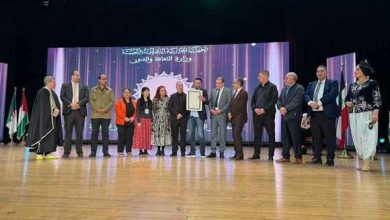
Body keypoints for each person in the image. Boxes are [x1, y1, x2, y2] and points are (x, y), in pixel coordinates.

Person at [346, 60, 381, 171]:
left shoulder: (372, 83)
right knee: (358, 137)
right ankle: (364, 159)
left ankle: (367, 162)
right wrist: (348, 103)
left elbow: (377, 99)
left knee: (367, 137)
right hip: (354, 114)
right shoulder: (352, 85)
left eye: (357, 69)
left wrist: (375, 114)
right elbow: (347, 99)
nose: (355, 71)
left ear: (364, 71)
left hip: (367, 114)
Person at [304, 65, 339, 166]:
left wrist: (318, 102)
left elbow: (333, 95)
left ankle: (330, 159)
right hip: (314, 114)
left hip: (327, 114)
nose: (319, 73)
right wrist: (311, 103)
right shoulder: (312, 84)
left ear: (326, 72)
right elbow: (306, 95)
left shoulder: (332, 83)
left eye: (322, 71)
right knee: (316, 137)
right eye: (317, 71)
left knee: (329, 137)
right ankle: (316, 157)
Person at [26, 76, 63, 160]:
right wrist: (53, 111)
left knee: (51, 135)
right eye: (54, 81)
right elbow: (43, 107)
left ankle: (47, 152)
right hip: (43, 119)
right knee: (42, 133)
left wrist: (57, 109)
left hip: (52, 118)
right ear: (48, 82)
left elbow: (56, 104)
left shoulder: (52, 92)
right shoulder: (42, 92)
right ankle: (39, 153)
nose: (55, 83)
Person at [60, 70, 89, 159]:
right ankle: (66, 152)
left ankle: (79, 152)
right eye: (77, 75)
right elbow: (62, 96)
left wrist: (78, 104)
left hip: (80, 112)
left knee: (79, 133)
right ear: (72, 76)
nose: (78, 77)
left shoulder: (84, 86)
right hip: (69, 112)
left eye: (79, 75)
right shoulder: (65, 85)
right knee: (68, 132)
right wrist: (71, 104)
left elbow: (87, 98)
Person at [249, 70, 278, 161]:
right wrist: (254, 109)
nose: (258, 77)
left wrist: (263, 109)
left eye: (259, 76)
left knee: (271, 135)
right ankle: (256, 154)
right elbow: (253, 101)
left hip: (268, 115)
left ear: (265, 76)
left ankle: (270, 155)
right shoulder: (257, 88)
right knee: (257, 135)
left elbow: (273, 100)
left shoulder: (273, 87)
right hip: (257, 115)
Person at [276, 72, 304, 164]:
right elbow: (279, 100)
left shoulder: (299, 88)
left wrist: (286, 108)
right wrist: (280, 107)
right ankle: (285, 156)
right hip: (284, 116)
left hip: (294, 116)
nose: (284, 80)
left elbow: (297, 102)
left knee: (295, 137)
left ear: (292, 79)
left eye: (286, 78)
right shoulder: (284, 89)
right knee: (285, 137)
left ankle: (298, 157)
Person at [89, 74, 115, 158]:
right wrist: (97, 109)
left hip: (106, 115)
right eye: (103, 79)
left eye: (106, 79)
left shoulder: (109, 90)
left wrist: (105, 109)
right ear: (99, 80)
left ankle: (105, 152)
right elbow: (91, 101)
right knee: (94, 133)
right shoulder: (93, 89)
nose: (105, 81)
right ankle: (93, 152)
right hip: (95, 115)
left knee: (105, 133)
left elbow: (112, 101)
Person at [207, 76, 232, 158]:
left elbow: (228, 103)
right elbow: (210, 101)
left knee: (222, 134)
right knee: (213, 134)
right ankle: (213, 151)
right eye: (216, 83)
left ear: (223, 83)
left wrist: (220, 110)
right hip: (213, 115)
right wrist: (211, 109)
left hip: (222, 115)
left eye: (219, 83)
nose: (217, 84)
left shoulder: (228, 91)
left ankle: (221, 151)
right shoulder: (213, 90)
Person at [187, 78, 209, 158]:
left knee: (201, 135)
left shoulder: (204, 91)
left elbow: (207, 102)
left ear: (201, 84)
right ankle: (192, 152)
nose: (197, 84)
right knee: (191, 135)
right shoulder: (190, 91)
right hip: (191, 116)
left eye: (199, 83)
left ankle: (202, 153)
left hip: (200, 117)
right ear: (193, 83)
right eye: (195, 83)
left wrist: (204, 99)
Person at [228, 79, 248, 160]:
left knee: (236, 134)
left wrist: (231, 113)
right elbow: (232, 105)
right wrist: (229, 113)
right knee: (234, 135)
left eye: (234, 83)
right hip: (234, 117)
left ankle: (240, 155)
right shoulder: (235, 93)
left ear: (239, 83)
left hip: (239, 117)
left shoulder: (244, 93)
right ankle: (236, 153)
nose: (233, 84)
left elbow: (240, 106)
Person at [168, 81, 189, 157]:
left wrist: (182, 114)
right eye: (179, 85)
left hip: (183, 119)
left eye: (181, 85)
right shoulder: (172, 96)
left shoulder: (186, 96)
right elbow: (170, 107)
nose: (180, 87)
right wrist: (177, 114)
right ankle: (174, 151)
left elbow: (188, 108)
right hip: (174, 118)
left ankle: (183, 152)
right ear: (176, 87)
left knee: (183, 136)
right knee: (174, 136)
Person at [115, 88, 137, 157]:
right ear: (123, 94)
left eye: (128, 92)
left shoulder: (134, 102)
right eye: (125, 92)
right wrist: (125, 118)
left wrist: (133, 117)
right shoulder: (119, 101)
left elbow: (136, 111)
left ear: (130, 94)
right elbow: (118, 111)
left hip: (131, 122)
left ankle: (129, 151)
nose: (126, 94)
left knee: (129, 137)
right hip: (121, 122)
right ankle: (120, 151)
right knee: (121, 137)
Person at [133, 87, 153, 156]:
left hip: (148, 120)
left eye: (148, 91)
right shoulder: (139, 100)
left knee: (147, 135)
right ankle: (141, 150)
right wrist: (138, 121)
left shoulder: (150, 101)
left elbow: (151, 112)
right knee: (141, 135)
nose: (147, 92)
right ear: (142, 92)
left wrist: (152, 120)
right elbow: (137, 111)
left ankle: (146, 150)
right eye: (146, 91)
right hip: (141, 119)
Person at [152, 86, 171, 156]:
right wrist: (154, 119)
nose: (163, 92)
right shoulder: (155, 99)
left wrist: (168, 117)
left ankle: (162, 150)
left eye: (164, 90)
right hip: (157, 119)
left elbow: (169, 109)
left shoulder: (168, 99)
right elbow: (153, 110)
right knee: (158, 134)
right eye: (161, 90)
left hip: (165, 119)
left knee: (164, 134)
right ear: (159, 92)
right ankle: (158, 149)